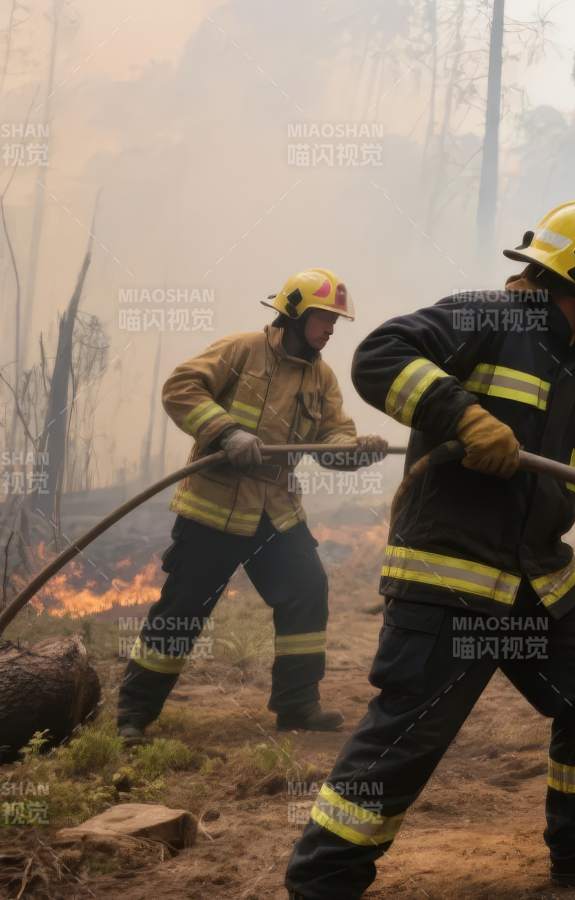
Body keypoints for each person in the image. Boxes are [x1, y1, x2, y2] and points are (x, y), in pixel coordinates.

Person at [284, 201, 575, 896]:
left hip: (537, 581)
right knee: (410, 734)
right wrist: (460, 413)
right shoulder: (485, 318)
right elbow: (379, 356)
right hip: (452, 575)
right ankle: (323, 879)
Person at [117, 268, 388, 741]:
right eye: (325, 319)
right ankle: (134, 715)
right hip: (214, 509)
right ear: (296, 312)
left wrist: (354, 452)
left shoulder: (321, 378)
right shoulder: (242, 350)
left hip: (275, 513)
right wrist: (227, 431)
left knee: (306, 592)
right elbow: (180, 388)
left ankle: (297, 705)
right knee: (182, 610)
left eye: (335, 323)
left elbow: (334, 439)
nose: (330, 331)